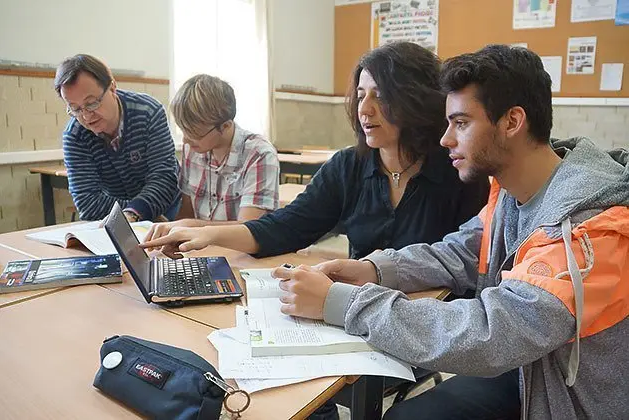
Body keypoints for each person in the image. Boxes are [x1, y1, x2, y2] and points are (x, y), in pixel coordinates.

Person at [269, 45, 629, 419]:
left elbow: (492, 333)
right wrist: (374, 270)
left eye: (461, 123)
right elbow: (460, 252)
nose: (445, 139)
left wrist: (345, 303)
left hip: (570, 400)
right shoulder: (514, 190)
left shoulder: (587, 225)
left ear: (511, 122)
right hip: (531, 369)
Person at [142, 42, 489, 261]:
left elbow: (470, 266)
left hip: (426, 325)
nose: (364, 110)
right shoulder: (347, 168)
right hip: (358, 312)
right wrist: (204, 233)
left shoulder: (458, 171)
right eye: (361, 94)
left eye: (380, 95)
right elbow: (285, 227)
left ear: (415, 99)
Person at [144, 74, 279, 234]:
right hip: (200, 251)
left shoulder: (259, 154)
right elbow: (187, 211)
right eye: (183, 131)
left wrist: (190, 226)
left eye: (195, 134)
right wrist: (172, 231)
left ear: (226, 126)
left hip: (243, 254)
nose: (186, 141)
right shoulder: (193, 150)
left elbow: (249, 229)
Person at [55, 54, 180, 222]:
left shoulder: (148, 112)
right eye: (75, 109)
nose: (86, 116)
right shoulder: (75, 135)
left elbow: (164, 177)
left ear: (112, 87)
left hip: (168, 209)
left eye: (92, 103)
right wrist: (136, 212)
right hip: (122, 218)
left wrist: (136, 212)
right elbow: (88, 202)